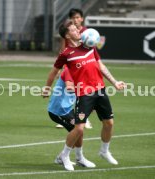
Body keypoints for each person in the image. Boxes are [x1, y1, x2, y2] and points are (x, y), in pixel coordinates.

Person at [43, 19, 125, 171]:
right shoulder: (66, 54)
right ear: (67, 36)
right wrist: (47, 88)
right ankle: (65, 156)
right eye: (73, 30)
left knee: (109, 123)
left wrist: (115, 82)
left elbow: (101, 66)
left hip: (100, 90)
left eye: (77, 28)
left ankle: (104, 151)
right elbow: (54, 72)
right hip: (84, 95)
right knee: (79, 129)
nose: (78, 31)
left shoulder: (90, 46)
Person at [48, 66, 95, 168]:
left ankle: (77, 158)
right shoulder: (69, 69)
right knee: (77, 130)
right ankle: (65, 157)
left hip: (68, 109)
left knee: (79, 130)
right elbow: (70, 87)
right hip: (58, 110)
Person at [57, 8, 92, 129]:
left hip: (83, 66)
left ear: (82, 19)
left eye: (78, 17)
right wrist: (61, 67)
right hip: (70, 65)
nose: (76, 20)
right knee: (69, 91)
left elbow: (91, 49)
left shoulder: (86, 33)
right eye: (73, 18)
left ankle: (84, 117)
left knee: (83, 92)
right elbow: (63, 50)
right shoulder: (67, 31)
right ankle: (68, 116)